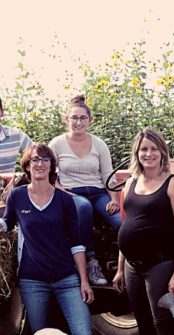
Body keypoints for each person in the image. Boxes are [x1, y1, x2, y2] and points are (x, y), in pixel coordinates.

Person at [0, 143, 93, 335]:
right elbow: (6, 222)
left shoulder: (64, 200)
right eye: (35, 159)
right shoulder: (17, 196)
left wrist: (84, 281)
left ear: (52, 165)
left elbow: (76, 243)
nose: (40, 164)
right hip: (33, 280)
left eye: (45, 159)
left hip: (66, 277)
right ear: (27, 165)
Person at [112, 128, 174, 335]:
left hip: (160, 263)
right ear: (137, 153)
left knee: (163, 322)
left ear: (162, 152)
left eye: (154, 149)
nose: (149, 154)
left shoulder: (173, 184)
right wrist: (120, 268)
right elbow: (126, 225)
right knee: (143, 322)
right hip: (132, 266)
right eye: (144, 149)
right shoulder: (131, 183)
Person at [49, 95, 120, 287]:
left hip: (98, 192)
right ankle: (91, 261)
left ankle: (130, 266)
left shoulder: (99, 144)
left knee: (120, 221)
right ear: (67, 119)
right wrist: (63, 192)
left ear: (90, 120)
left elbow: (108, 175)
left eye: (82, 118)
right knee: (83, 207)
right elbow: (50, 176)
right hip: (71, 192)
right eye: (74, 118)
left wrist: (114, 199)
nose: (78, 122)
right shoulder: (56, 144)